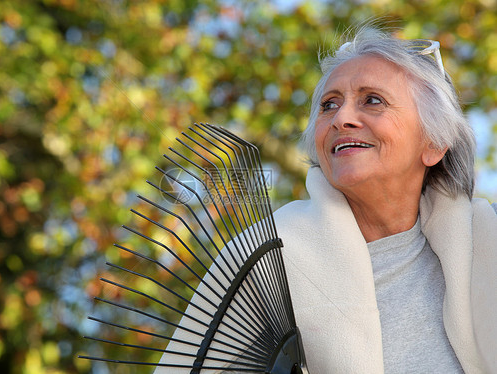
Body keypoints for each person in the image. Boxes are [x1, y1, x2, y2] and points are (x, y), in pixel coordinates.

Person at [157, 26, 497, 373]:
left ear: (434, 144)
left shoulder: (487, 245)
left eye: (372, 100)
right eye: (329, 105)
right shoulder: (265, 259)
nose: (341, 119)